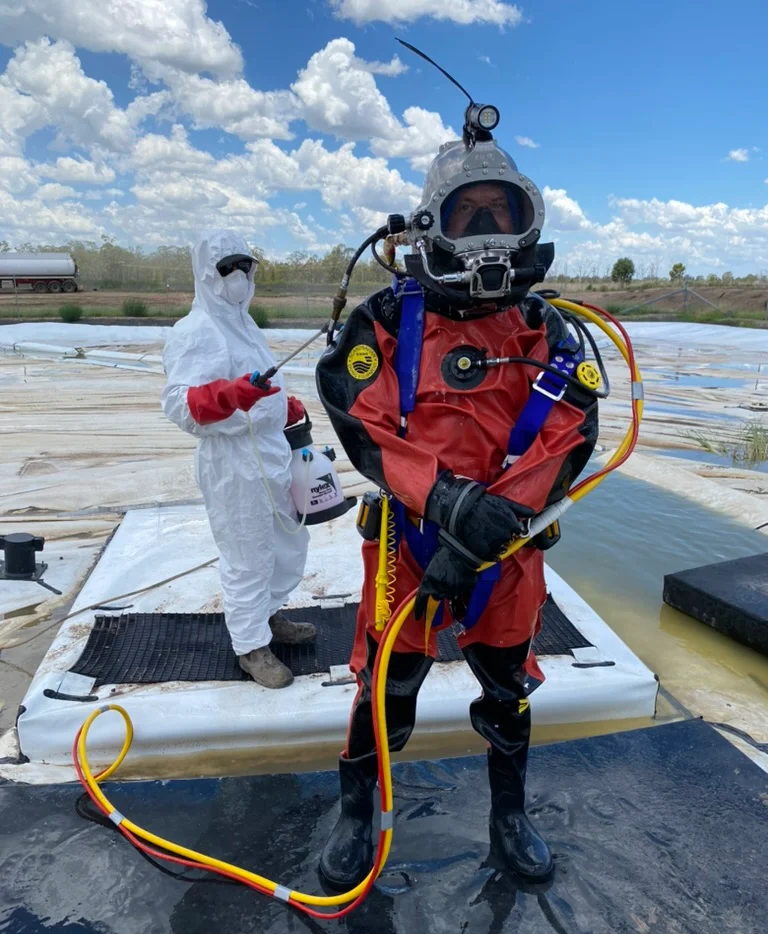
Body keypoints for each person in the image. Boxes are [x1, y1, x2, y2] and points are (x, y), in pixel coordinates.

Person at [315, 136, 599, 886]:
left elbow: (573, 436)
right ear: (430, 225)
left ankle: (510, 814)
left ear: (526, 222)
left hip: (508, 555)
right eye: (464, 213)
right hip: (407, 550)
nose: (483, 229)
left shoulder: (551, 332)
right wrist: (446, 501)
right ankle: (355, 812)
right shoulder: (382, 321)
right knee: (388, 689)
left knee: (507, 691)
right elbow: (357, 417)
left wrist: (483, 527)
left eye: (497, 211)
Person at [162, 229, 313, 689]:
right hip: (232, 462)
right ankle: (251, 647)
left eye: (247, 267)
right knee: (247, 555)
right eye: (230, 268)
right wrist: (232, 396)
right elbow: (180, 404)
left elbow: (257, 381)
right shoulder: (196, 330)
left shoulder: (244, 324)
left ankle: (266, 617)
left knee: (287, 544)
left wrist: (279, 403)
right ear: (209, 274)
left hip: (269, 451)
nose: (241, 277)